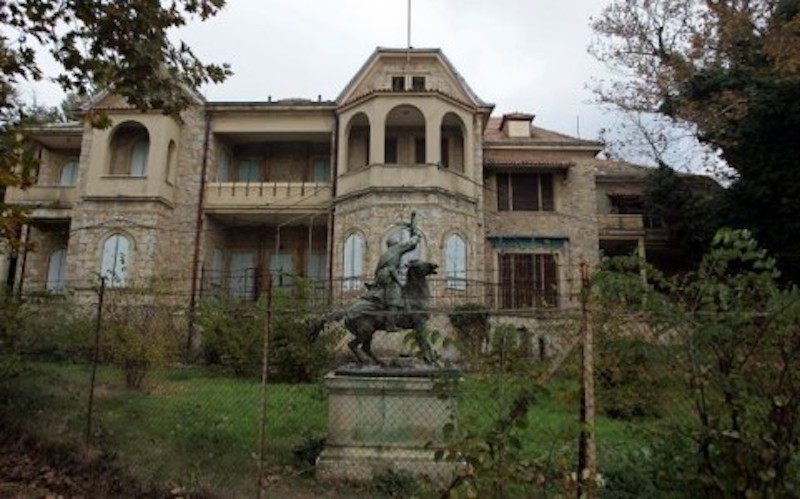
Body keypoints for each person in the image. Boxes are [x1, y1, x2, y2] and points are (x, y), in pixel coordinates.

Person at [371, 212, 420, 332]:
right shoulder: (395, 249)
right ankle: (390, 324)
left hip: (382, 277)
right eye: (398, 242)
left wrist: (412, 224)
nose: (399, 243)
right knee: (395, 295)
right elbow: (412, 243)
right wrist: (415, 233)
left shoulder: (386, 254)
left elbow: (377, 270)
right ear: (395, 244)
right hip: (389, 276)